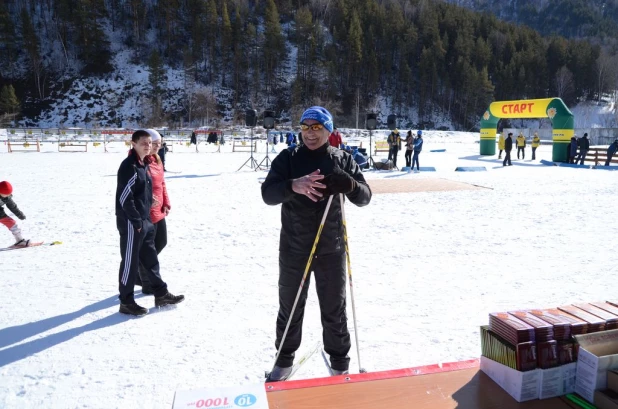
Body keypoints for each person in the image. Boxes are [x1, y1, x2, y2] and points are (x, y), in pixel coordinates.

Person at [261, 106, 372, 381]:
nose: (310, 133)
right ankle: (283, 361)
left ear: (328, 129)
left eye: (316, 127)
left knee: (334, 308)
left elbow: (365, 196)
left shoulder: (343, 159)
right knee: (290, 305)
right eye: (305, 127)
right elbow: (268, 194)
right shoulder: (288, 158)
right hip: (294, 247)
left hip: (330, 248)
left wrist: (351, 186)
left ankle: (339, 362)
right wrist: (293, 186)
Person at [115, 129, 184, 316]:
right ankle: (126, 302)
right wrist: (136, 221)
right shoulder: (129, 165)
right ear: (134, 144)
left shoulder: (143, 164)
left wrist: (149, 201)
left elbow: (142, 191)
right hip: (132, 223)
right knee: (130, 263)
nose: (148, 146)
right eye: (143, 143)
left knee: (151, 260)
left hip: (145, 220)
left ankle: (161, 293)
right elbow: (124, 198)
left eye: (149, 142)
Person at [135, 129, 172, 295]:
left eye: (159, 144)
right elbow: (140, 186)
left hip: (159, 209)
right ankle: (146, 281)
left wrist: (166, 202)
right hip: (146, 210)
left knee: (161, 242)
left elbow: (162, 184)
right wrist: (148, 199)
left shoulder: (157, 160)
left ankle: (139, 272)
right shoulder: (143, 162)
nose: (157, 147)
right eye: (154, 144)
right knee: (148, 248)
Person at [0, 181, 30, 247]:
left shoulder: (7, 197)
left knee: (12, 223)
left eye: (8, 194)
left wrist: (20, 215)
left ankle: (20, 240)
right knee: (11, 222)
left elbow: (12, 206)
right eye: (5, 194)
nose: (7, 195)